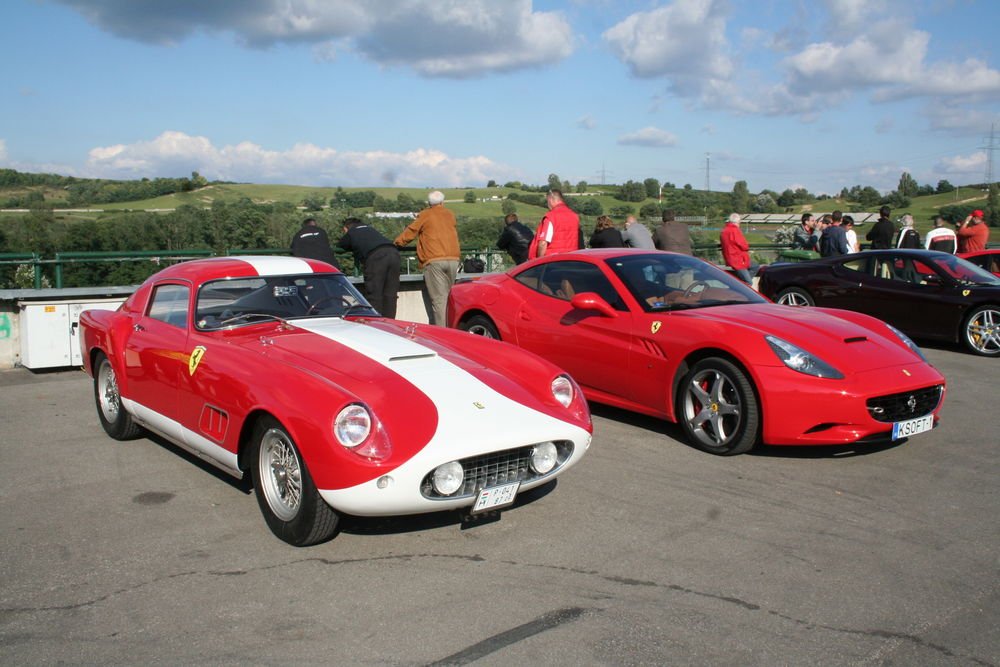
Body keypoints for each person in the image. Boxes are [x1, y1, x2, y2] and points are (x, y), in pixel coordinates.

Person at [394, 190, 460, 326]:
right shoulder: (450, 214)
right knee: (449, 298)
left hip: (434, 260)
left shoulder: (426, 214)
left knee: (439, 301)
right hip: (453, 259)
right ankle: (454, 328)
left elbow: (411, 232)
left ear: (429, 203)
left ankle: (443, 333)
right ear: (443, 202)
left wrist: (396, 243)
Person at [337, 217, 400, 318]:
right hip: (394, 253)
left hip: (376, 257)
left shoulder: (352, 231)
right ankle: (390, 321)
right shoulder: (370, 228)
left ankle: (375, 321)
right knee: (390, 294)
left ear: (346, 228)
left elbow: (341, 245)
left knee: (374, 293)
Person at [528, 189, 580, 259]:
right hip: (570, 259)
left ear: (550, 199)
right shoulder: (574, 216)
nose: (547, 205)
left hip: (553, 261)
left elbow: (543, 243)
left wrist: (538, 261)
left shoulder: (551, 217)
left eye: (547, 202)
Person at [720, 213, 757, 284]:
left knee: (755, 266)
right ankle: (741, 285)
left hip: (730, 258)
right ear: (738, 222)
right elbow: (744, 245)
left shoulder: (724, 231)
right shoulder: (735, 231)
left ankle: (741, 283)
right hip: (738, 259)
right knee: (749, 282)